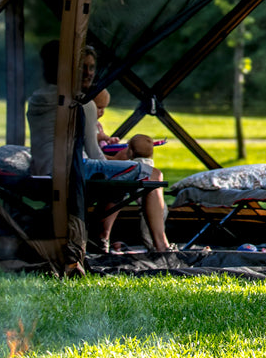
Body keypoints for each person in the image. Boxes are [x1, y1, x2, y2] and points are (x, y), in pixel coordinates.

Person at [27, 41, 170, 253]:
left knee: (119, 175)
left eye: (91, 67)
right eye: (82, 67)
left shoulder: (37, 98)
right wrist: (123, 161)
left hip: (40, 173)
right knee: (152, 174)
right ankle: (161, 248)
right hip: (73, 175)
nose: (88, 73)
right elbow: (95, 154)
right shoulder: (82, 103)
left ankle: (103, 240)